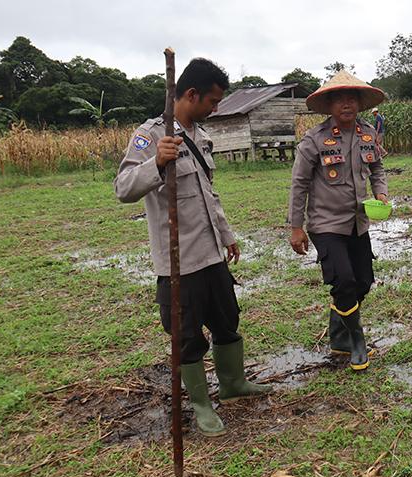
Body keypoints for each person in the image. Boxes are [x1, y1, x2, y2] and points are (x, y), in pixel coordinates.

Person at [114, 58, 270, 437]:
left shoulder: (200, 136)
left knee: (227, 320)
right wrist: (156, 163)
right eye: (213, 101)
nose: (216, 109)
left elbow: (208, 195)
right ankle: (201, 404)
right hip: (178, 262)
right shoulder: (151, 135)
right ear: (190, 94)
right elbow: (123, 189)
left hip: (211, 253)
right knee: (186, 336)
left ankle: (233, 385)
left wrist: (227, 234)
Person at [288, 70, 389, 370]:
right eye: (340, 100)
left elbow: (378, 169)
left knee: (363, 282)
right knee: (343, 281)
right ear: (330, 105)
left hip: (359, 222)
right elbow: (299, 183)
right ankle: (356, 340)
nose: (347, 105)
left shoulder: (368, 134)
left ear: (359, 103)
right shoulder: (314, 139)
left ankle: (337, 331)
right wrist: (296, 227)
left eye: (352, 99)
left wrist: (380, 193)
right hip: (326, 224)